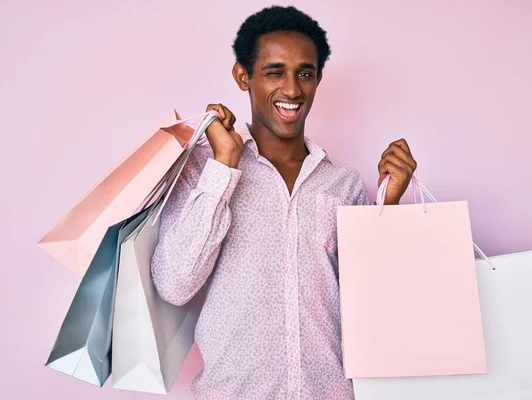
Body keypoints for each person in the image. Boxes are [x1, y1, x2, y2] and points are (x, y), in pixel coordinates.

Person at [151, 5, 417, 400]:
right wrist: (225, 165)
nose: (292, 90)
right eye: (275, 71)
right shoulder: (204, 171)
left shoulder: (342, 184)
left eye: (304, 74)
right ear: (243, 76)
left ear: (317, 79)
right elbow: (174, 285)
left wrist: (387, 207)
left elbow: (371, 300)